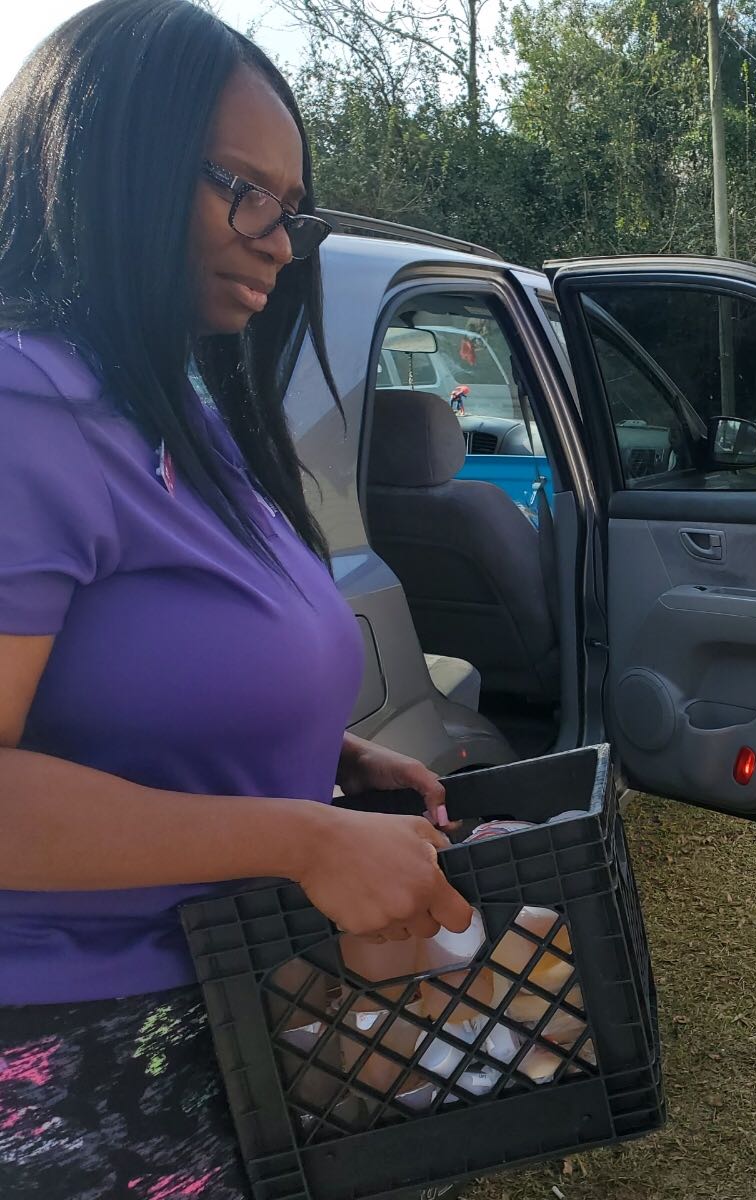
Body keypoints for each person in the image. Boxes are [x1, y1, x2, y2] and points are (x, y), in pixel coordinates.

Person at [0, 3, 474, 1194]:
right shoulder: (21, 414)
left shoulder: (174, 405)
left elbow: (134, 670)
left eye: (291, 206)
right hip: (80, 1069)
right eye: (240, 190)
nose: (278, 239)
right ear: (109, 162)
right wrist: (298, 833)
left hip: (218, 1011)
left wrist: (323, 751)